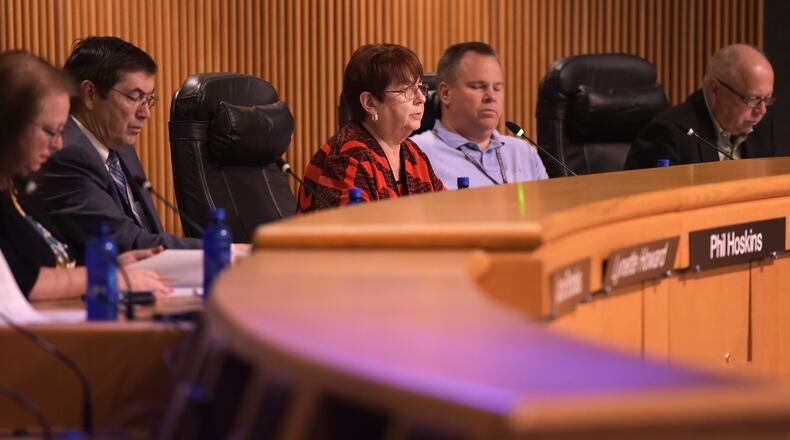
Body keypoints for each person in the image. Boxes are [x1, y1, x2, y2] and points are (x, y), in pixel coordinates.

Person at [0, 50, 169, 301]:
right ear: (10, 124)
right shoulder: (62, 164)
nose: (58, 144)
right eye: (51, 132)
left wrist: (112, 267)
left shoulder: (13, 190)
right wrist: (107, 276)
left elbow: (46, 267)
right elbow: (21, 281)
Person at [36, 36, 202, 260]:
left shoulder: (119, 147)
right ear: (90, 94)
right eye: (135, 98)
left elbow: (150, 234)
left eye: (149, 100)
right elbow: (127, 242)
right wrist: (222, 249)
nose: (145, 113)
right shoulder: (65, 154)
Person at [297, 44, 445, 213]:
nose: (421, 99)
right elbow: (358, 235)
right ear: (370, 103)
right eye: (407, 90)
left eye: (420, 87)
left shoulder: (414, 155)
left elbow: (443, 213)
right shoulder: (349, 157)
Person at [410, 42, 547, 189]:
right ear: (445, 93)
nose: (491, 96)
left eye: (497, 88)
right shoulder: (415, 154)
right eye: (478, 86)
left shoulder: (524, 152)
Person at [625, 44, 777, 169]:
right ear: (715, 90)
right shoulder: (669, 134)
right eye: (752, 99)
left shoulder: (761, 130)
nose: (762, 110)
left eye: (767, 99)